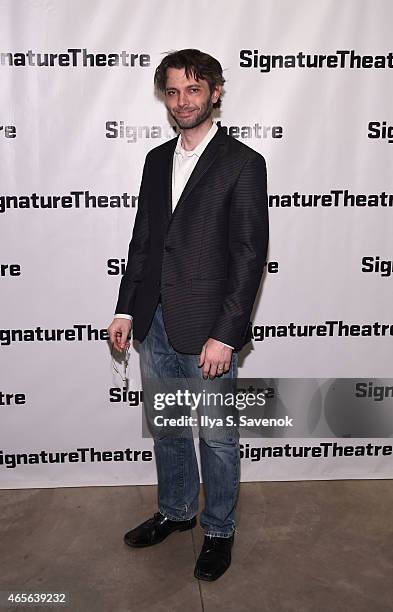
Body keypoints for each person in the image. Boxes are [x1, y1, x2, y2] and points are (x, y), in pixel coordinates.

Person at [107, 48, 269, 581]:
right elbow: (145, 241)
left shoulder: (243, 163)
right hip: (153, 323)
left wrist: (227, 334)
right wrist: (126, 308)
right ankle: (176, 512)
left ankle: (218, 529)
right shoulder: (156, 160)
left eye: (194, 90)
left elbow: (248, 257)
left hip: (207, 332)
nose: (183, 101)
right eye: (173, 91)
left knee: (217, 438)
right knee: (171, 428)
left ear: (215, 93)